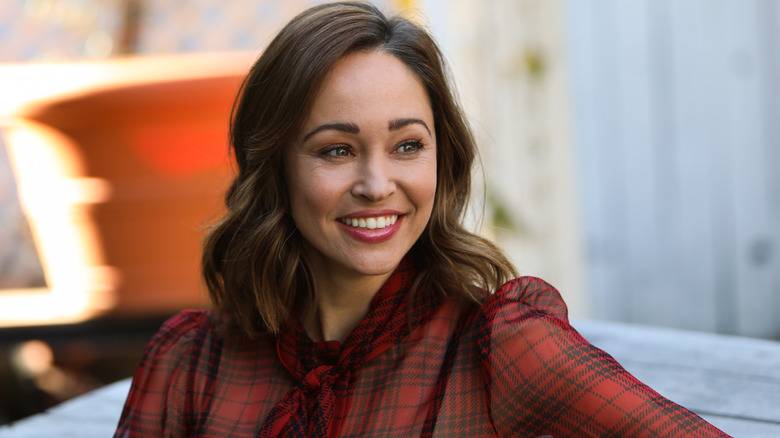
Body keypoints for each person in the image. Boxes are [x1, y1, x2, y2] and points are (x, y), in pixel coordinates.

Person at [115, 2, 729, 437]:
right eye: (336, 150)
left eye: (408, 145)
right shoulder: (191, 364)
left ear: (444, 155)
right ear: (273, 166)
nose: (377, 185)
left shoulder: (504, 349)